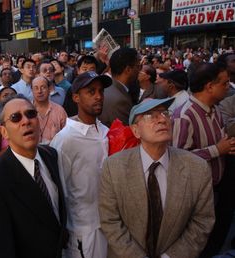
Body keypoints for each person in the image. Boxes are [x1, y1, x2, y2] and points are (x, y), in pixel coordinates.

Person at [99, 98, 215, 258]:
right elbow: (110, 221)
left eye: (164, 113)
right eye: (150, 116)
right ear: (135, 130)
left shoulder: (197, 168)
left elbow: (202, 221)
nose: (162, 119)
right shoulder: (113, 167)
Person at [0, 95, 68, 258]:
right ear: (4, 131)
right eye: (15, 118)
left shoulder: (50, 156)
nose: (26, 121)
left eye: (30, 114)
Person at [172, 62, 235, 257]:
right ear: (209, 86)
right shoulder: (184, 116)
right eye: (224, 83)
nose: (229, 87)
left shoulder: (214, 109)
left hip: (218, 189)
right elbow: (178, 158)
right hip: (196, 194)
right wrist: (217, 150)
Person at [50, 71, 112, 258]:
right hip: (83, 232)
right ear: (76, 97)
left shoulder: (106, 132)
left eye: (101, 91)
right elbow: (56, 191)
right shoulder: (65, 139)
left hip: (110, 226)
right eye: (91, 91)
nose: (98, 96)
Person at [99, 47, 141, 126]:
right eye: (138, 66)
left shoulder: (110, 88)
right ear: (128, 69)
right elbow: (125, 133)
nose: (139, 71)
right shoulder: (119, 101)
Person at [32, 76, 67, 144]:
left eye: (43, 87)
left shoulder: (59, 111)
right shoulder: (26, 110)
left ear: (49, 89)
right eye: (36, 88)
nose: (39, 91)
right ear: (32, 90)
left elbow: (66, 136)